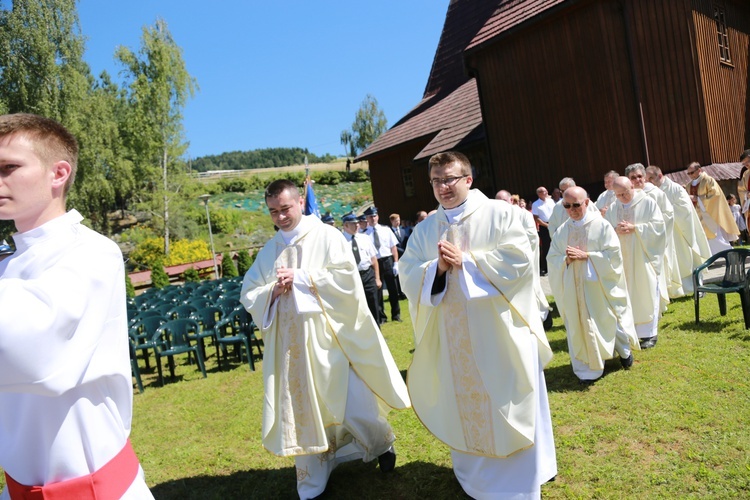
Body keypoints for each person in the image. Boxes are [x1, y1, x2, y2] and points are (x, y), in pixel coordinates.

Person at [0, 113, 153, 498]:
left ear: (59, 173)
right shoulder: (6, 261)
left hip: (95, 489)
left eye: (8, 167)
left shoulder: (92, 251)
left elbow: (33, 348)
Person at [240, 180, 410, 500]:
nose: (280, 217)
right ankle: (312, 482)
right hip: (293, 350)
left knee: (352, 405)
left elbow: (346, 279)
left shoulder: (327, 236)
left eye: (285, 209)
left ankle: (381, 444)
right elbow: (249, 293)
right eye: (273, 212)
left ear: (301, 202)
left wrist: (302, 278)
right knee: (305, 412)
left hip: (329, 339)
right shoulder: (269, 251)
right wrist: (272, 291)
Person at [401, 152, 556, 498]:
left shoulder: (503, 215)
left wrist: (467, 263)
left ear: (468, 179)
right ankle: (477, 478)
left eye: (450, 178)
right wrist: (437, 270)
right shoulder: (425, 230)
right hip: (453, 340)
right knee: (464, 403)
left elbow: (521, 261)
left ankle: (524, 477)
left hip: (500, 333)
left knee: (512, 399)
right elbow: (407, 273)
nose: (443, 187)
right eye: (436, 180)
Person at [547, 187, 639, 384]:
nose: (571, 209)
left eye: (576, 205)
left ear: (587, 203)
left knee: (606, 320)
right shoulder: (563, 231)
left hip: (597, 285)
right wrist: (566, 261)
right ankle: (588, 369)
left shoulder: (601, 226)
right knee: (580, 323)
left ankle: (624, 351)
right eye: (567, 206)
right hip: (574, 288)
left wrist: (587, 257)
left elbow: (614, 256)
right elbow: (552, 258)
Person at [605, 177, 666, 349]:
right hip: (621, 258)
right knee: (626, 293)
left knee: (645, 291)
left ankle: (649, 333)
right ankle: (629, 331)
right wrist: (615, 230)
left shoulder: (647, 203)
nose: (622, 197)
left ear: (632, 186)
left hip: (642, 255)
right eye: (618, 194)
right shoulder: (614, 207)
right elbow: (606, 229)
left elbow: (658, 227)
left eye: (625, 193)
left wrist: (636, 228)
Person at [645, 165, 711, 295]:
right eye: (647, 179)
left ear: (659, 176)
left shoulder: (675, 188)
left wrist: (666, 213)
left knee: (685, 259)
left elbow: (684, 209)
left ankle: (693, 288)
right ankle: (675, 291)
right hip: (666, 232)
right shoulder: (652, 192)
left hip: (680, 232)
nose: (649, 181)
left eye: (651, 178)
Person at [496, 189, 552, 329]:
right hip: (505, 262)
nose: (500, 204)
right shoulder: (495, 217)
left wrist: (515, 247)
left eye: (503, 201)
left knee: (532, 287)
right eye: (497, 202)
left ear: (511, 201)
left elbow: (532, 236)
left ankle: (543, 317)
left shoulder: (523, 214)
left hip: (525, 259)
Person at [626, 163, 681, 302]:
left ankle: (660, 299)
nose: (637, 180)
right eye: (633, 177)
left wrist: (651, 228)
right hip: (635, 243)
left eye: (639, 176)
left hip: (654, 240)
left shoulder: (656, 193)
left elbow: (668, 214)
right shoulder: (625, 198)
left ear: (644, 177)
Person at [684, 162, 739, 254]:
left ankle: (729, 253)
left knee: (715, 235)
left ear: (699, 170)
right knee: (702, 237)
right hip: (697, 215)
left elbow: (715, 196)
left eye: (692, 172)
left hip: (709, 213)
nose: (690, 175)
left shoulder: (708, 180)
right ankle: (709, 257)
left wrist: (697, 198)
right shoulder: (689, 185)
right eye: (688, 173)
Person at [363, 206, 402, 323]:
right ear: (367, 219)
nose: (373, 218)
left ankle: (396, 315)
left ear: (378, 217)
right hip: (375, 263)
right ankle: (381, 317)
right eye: (370, 216)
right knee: (378, 291)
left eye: (374, 216)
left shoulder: (386, 230)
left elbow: (393, 247)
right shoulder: (364, 234)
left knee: (393, 289)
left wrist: (396, 263)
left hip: (387, 260)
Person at [342, 212, 381, 321]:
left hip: (367, 274)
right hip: (351, 276)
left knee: (373, 304)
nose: (357, 226)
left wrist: (377, 278)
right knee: (356, 307)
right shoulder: (340, 241)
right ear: (345, 225)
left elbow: (374, 260)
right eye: (353, 224)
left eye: (357, 223)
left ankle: (377, 333)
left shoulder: (364, 238)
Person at [531, 185, 555, 275]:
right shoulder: (535, 204)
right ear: (539, 193)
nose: (546, 192)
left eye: (546, 191)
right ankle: (545, 268)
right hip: (544, 227)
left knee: (556, 244)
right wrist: (547, 225)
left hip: (553, 224)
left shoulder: (551, 201)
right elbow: (536, 218)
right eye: (543, 191)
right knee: (546, 247)